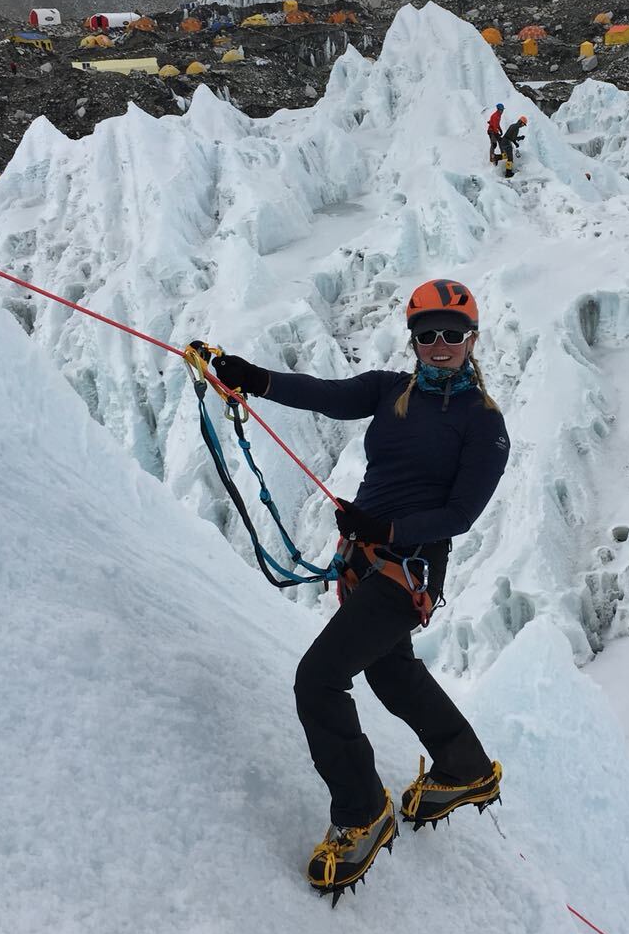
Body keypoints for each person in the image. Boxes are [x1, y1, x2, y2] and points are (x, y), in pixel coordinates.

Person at [210, 280, 509, 899]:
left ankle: (362, 813)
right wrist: (253, 379)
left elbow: (460, 514)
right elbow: (325, 396)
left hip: (410, 567)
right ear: (414, 340)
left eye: (452, 333)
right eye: (427, 333)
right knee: (390, 672)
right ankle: (467, 766)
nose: (440, 344)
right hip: (368, 560)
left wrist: (388, 529)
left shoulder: (485, 425)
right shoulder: (388, 391)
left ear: (472, 339)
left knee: (318, 680)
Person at [499, 114, 527, 179]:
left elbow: (510, 136)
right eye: (523, 124)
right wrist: (520, 138)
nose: (523, 126)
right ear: (521, 122)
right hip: (507, 143)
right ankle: (508, 173)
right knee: (510, 158)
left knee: (507, 156)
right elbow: (513, 138)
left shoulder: (513, 125)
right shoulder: (516, 128)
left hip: (504, 141)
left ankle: (496, 157)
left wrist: (515, 143)